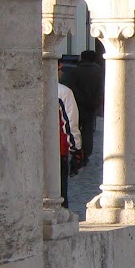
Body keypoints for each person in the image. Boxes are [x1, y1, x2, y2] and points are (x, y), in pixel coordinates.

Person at [57, 66, 81, 205]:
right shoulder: (63, 92)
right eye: (59, 68)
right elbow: (70, 123)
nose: (62, 72)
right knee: (59, 195)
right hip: (57, 150)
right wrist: (76, 149)